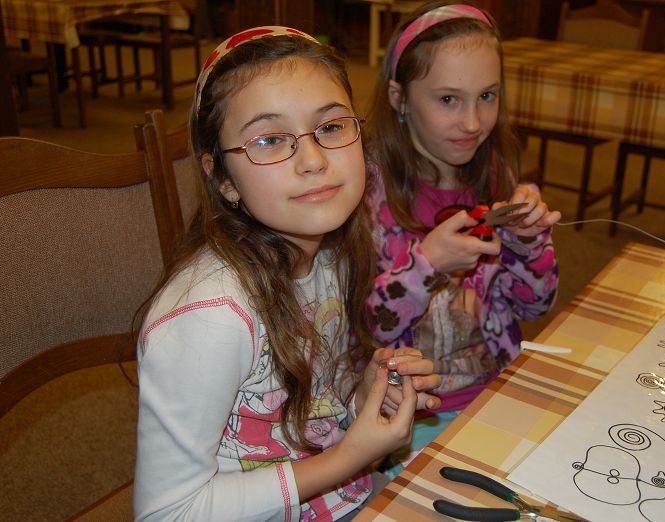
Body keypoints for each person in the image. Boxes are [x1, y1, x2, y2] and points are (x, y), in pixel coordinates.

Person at [133, 26, 441, 521]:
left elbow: (307, 409)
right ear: (223, 179)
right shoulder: (210, 318)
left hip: (341, 497)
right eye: (270, 139)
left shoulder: (330, 253)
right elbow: (168, 513)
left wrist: (363, 397)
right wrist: (349, 456)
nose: (314, 160)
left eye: (332, 127)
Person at [364, 1, 561, 476]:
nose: (473, 123)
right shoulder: (362, 194)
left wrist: (528, 244)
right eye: (449, 100)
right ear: (399, 99)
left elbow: (536, 306)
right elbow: (357, 330)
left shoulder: (495, 176)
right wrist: (427, 265)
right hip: (404, 415)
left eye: (487, 96)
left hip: (495, 391)